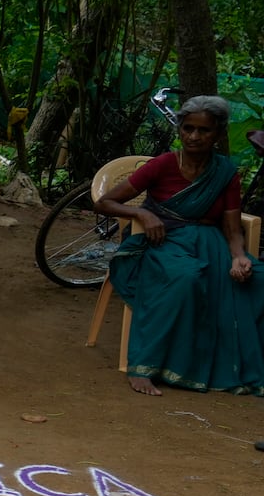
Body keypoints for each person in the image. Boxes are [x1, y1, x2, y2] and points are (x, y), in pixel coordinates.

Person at [96, 95, 264, 396]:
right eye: (188, 128)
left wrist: (238, 256)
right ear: (179, 130)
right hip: (164, 241)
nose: (194, 136)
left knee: (257, 280)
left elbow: (231, 225)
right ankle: (146, 366)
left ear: (219, 134)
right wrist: (141, 212)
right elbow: (105, 201)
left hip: (212, 243)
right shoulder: (162, 165)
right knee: (184, 278)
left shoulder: (225, 172)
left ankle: (236, 364)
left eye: (204, 130)